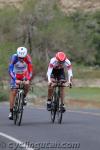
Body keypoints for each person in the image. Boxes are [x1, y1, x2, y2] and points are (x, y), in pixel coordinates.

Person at [8, 47, 34, 120]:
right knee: (14, 91)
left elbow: (31, 70)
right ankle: (11, 111)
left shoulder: (28, 58)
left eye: (23, 58)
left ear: (25, 55)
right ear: (17, 55)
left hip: (24, 74)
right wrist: (15, 79)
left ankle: (23, 97)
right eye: (20, 58)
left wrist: (28, 79)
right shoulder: (14, 57)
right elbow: (10, 70)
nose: (21, 59)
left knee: (27, 84)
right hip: (15, 75)